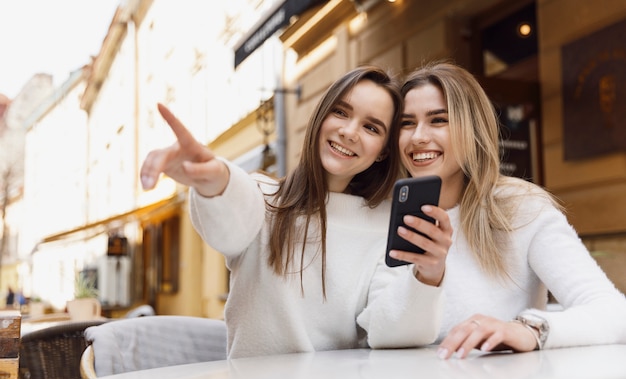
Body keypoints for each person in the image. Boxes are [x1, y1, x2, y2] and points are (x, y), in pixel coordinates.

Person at [140, 65, 452, 359]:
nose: (349, 131)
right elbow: (231, 223)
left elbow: (391, 331)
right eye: (340, 112)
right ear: (320, 116)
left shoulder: (384, 224)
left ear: (383, 149)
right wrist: (215, 179)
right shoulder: (264, 198)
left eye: (371, 127)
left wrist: (430, 274)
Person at [394, 60, 626, 360]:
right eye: (406, 123)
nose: (418, 137)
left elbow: (613, 313)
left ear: (473, 129)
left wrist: (528, 329)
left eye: (438, 120)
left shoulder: (520, 207)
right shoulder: (386, 214)